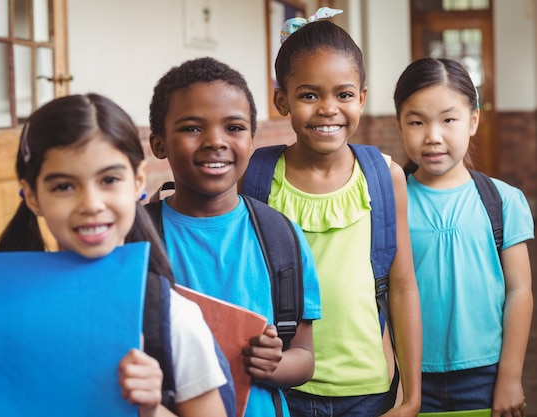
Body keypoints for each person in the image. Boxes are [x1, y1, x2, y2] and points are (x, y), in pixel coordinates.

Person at [0, 93, 229, 417]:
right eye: (64, 186)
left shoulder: (171, 316)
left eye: (109, 179)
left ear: (137, 181)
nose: (91, 204)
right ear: (33, 196)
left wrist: (152, 410)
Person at [241, 8, 422, 417]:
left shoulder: (384, 176)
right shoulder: (255, 176)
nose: (328, 108)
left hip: (368, 389)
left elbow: (404, 286)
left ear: (361, 97)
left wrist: (412, 396)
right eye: (309, 95)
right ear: (281, 100)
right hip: (280, 385)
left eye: (343, 94)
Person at [147, 56, 322, 417]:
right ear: (159, 143)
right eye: (192, 128)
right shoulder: (136, 242)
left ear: (251, 139)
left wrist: (275, 365)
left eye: (234, 127)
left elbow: (304, 358)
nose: (215, 141)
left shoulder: (281, 238)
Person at [394, 57, 534, 415]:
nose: (433, 136)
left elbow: (520, 291)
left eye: (448, 119)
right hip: (408, 376)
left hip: (485, 376)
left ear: (473, 122)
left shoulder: (503, 201)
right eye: (416, 121)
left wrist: (509, 377)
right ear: (400, 126)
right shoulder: (390, 203)